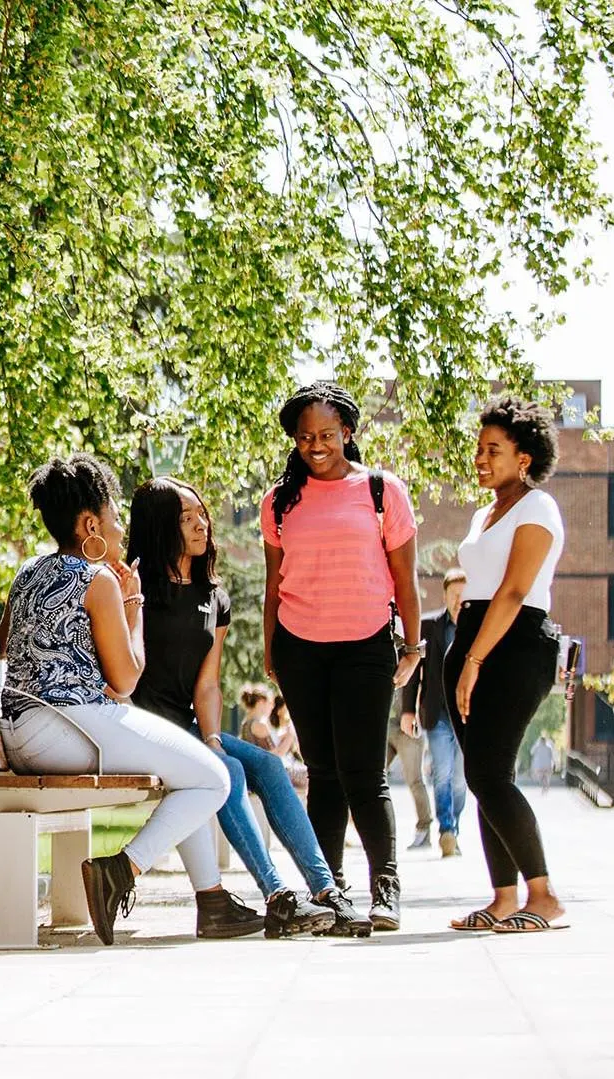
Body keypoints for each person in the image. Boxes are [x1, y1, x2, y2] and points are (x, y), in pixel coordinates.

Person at [0, 454, 235, 946]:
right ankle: (121, 871)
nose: (121, 530)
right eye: (116, 518)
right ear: (90, 524)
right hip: (70, 730)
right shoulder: (98, 580)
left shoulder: (27, 572)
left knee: (190, 772)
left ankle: (213, 901)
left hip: (20, 736)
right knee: (213, 778)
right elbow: (126, 680)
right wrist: (133, 601)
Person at [127, 478, 370, 937]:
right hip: (143, 731)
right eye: (187, 518)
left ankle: (326, 892)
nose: (202, 525)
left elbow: (208, 683)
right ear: (161, 525)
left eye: (202, 515)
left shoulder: (212, 596)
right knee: (231, 774)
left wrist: (214, 739)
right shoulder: (135, 586)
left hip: (189, 729)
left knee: (269, 768)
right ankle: (278, 895)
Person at [261, 381, 424, 931]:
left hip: (366, 644)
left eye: (327, 434)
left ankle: (386, 888)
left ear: (347, 433)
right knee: (323, 772)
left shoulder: (382, 491)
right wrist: (271, 651)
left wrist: (414, 644)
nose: (316, 445)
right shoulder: (279, 500)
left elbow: (404, 576)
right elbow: (273, 582)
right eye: (305, 437)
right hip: (300, 646)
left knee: (362, 772)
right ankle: (327, 890)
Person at [445, 397, 570, 934]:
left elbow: (516, 590)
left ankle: (543, 896)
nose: (480, 457)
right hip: (471, 640)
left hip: (514, 646)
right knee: (482, 778)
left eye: (493, 449)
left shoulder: (537, 508)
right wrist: (463, 655)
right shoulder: (483, 514)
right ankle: (503, 897)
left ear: (524, 456)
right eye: (478, 448)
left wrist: (474, 660)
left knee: (490, 773)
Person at [401, 567, 471, 856]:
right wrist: (408, 710)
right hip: (438, 715)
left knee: (460, 779)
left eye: (463, 596)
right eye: (454, 595)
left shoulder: (477, 630)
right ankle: (446, 830)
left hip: (468, 717)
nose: (459, 602)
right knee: (442, 773)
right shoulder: (430, 627)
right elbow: (413, 671)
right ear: (445, 595)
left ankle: (454, 824)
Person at [385, 694, 435, 849]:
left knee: (415, 780)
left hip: (409, 727)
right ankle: (367, 829)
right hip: (385, 727)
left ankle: (424, 830)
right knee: (369, 777)